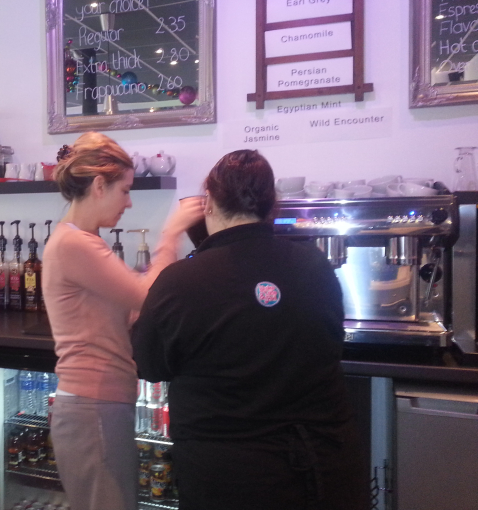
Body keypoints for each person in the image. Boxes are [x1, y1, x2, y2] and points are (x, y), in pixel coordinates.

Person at [131, 149, 368, 510]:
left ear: (209, 203)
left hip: (230, 479)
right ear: (272, 204)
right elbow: (330, 342)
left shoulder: (181, 281)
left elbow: (148, 364)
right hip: (324, 468)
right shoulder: (314, 264)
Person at [42, 132, 204, 510]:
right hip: (92, 407)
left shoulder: (84, 240)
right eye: (125, 191)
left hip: (97, 405)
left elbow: (129, 308)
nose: (129, 202)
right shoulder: (75, 244)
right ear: (99, 186)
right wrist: (172, 234)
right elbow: (148, 297)